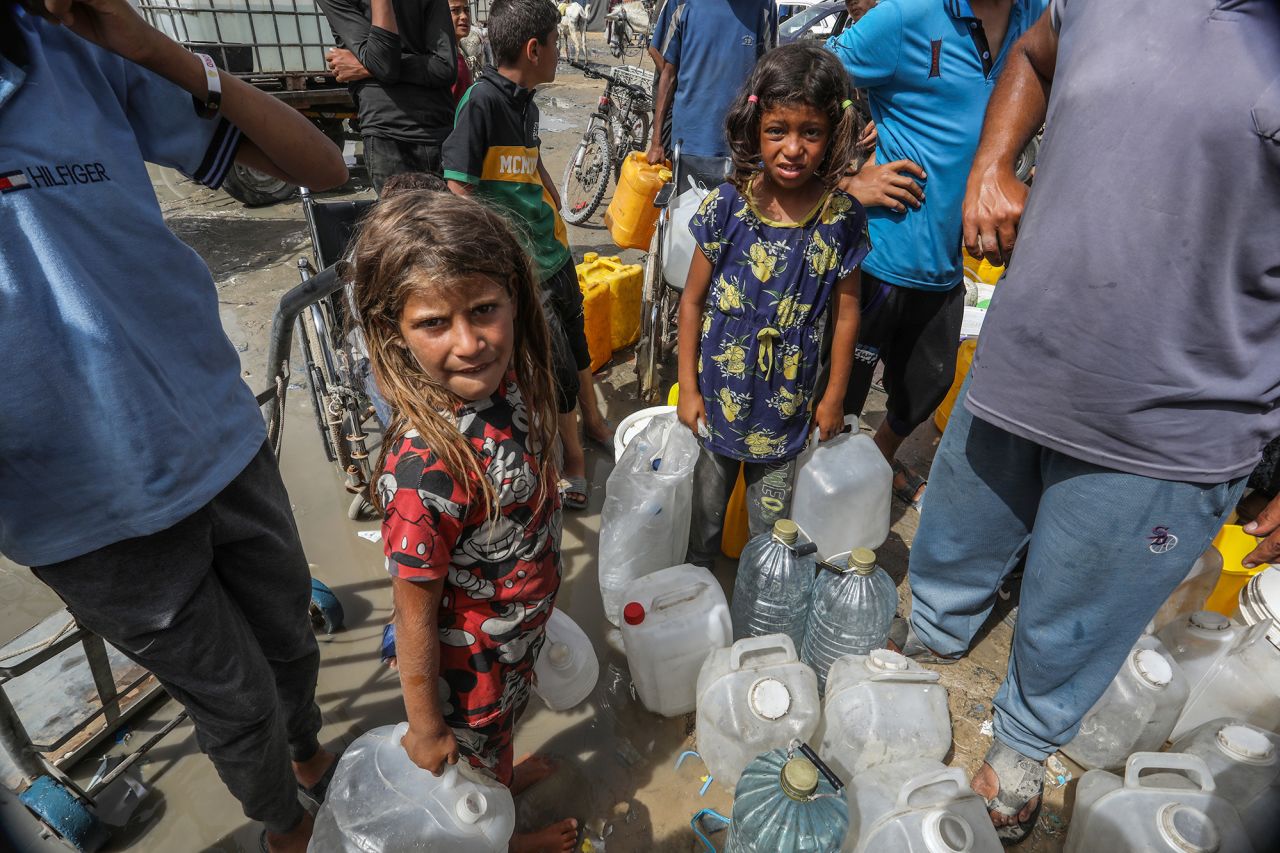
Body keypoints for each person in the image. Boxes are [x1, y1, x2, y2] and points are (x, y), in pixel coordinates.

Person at [904, 0, 1280, 842]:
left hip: (1171, 425)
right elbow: (1036, 57)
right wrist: (992, 163)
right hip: (1023, 359)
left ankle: (1024, 744)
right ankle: (927, 637)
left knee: (1079, 614)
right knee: (954, 541)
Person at [1, 1, 348, 850]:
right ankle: (282, 826)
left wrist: (146, 44)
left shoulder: (70, 45)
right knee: (232, 701)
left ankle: (309, 757)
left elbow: (323, 167)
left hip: (218, 437)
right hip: (85, 512)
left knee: (291, 652)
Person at [351, 190, 578, 853]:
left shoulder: (511, 381)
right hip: (467, 673)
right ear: (393, 329)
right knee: (465, 775)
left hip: (513, 644)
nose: (470, 342)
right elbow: (412, 611)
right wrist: (424, 726)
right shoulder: (428, 471)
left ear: (514, 297)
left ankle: (502, 775)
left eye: (484, 310)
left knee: (495, 746)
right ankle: (504, 842)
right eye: (434, 323)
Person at [825, 0, 1045, 511]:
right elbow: (792, 85)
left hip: (948, 266)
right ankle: (822, 502)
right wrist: (845, 181)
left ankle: (877, 458)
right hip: (873, 262)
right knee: (839, 398)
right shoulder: (905, 16)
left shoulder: (1038, 19)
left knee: (926, 386)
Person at [676, 44, 869, 565]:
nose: (792, 149)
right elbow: (691, 302)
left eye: (811, 133)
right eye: (777, 130)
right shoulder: (728, 205)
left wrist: (835, 397)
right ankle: (699, 594)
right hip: (717, 399)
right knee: (706, 517)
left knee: (770, 528)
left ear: (833, 136)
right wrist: (689, 389)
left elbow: (847, 315)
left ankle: (757, 610)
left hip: (787, 407)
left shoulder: (840, 219)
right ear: (754, 127)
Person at [443, 0, 611, 512]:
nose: (561, 52)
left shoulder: (527, 104)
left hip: (555, 251)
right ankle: (573, 457)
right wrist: (498, 261)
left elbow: (527, 161)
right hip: (525, 269)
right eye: (556, 43)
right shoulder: (481, 103)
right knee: (555, 362)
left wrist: (548, 193)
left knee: (578, 343)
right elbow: (458, 187)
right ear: (534, 48)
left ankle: (595, 418)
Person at [318, 0, 457, 193]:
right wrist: (379, 66)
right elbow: (384, 62)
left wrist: (365, 67)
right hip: (388, 133)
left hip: (436, 131)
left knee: (445, 220)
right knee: (403, 221)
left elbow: (445, 67)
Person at [646, 0, 776, 188]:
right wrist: (656, 142)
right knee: (688, 214)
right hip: (690, 144)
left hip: (742, 146)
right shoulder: (681, 3)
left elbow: (769, 75)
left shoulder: (764, 5)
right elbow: (668, 72)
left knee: (734, 214)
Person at [449, 0, 474, 102]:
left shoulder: (456, 55)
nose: (464, 16)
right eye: (455, 10)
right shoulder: (450, 63)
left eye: (467, 10)